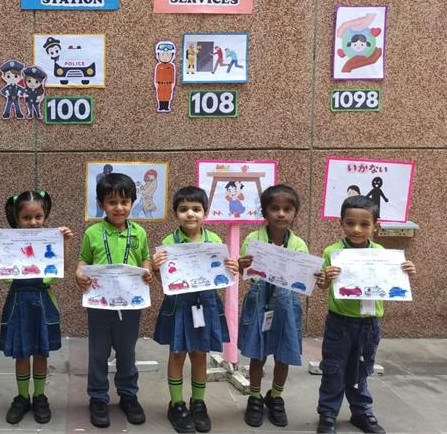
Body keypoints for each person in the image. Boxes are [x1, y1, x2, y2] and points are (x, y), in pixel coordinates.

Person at [315, 195, 416, 434]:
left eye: (364, 224)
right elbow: (321, 285)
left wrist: (405, 272)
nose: (357, 229)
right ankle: (328, 413)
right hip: (339, 322)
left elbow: (391, 281)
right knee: (333, 368)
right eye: (350, 223)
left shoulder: (382, 253)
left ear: (375, 226)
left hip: (369, 324)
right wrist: (325, 278)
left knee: (362, 368)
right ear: (341, 223)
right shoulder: (332, 252)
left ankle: (361, 412)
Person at [152, 186, 238, 433]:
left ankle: (198, 403)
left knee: (200, 354)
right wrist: (157, 268)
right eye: (183, 209)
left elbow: (222, 277)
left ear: (205, 213)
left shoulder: (216, 242)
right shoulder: (169, 243)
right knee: (177, 353)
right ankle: (176, 404)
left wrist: (231, 268)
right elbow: (164, 281)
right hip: (179, 305)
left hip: (206, 304)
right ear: (175, 214)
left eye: (196, 209)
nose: (190, 214)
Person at [74, 173, 153, 428]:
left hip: (130, 304)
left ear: (132, 202)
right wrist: (78, 273)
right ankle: (98, 398)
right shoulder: (93, 232)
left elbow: (146, 258)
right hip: (100, 303)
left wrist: (148, 270)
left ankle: (128, 395)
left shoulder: (139, 232)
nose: (119, 207)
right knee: (98, 352)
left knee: (127, 352)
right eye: (112, 202)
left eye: (124, 202)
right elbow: (83, 260)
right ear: (101, 204)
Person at [0, 191, 73, 424]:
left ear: (45, 216)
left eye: (38, 216)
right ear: (16, 218)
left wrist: (64, 243)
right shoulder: (10, 240)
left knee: (41, 352)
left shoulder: (50, 239)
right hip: (17, 301)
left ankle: (40, 396)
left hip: (43, 300)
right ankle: (23, 397)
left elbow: (61, 269)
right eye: (26, 217)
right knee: (22, 353)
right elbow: (0, 271)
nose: (33, 222)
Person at [237, 184, 313, 429]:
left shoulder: (298, 244)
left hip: (286, 306)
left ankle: (276, 397)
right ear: (264, 212)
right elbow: (244, 272)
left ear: (295, 213)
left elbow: (304, 278)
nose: (281, 214)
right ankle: (255, 397)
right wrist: (241, 265)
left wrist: (314, 275)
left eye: (287, 209)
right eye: (275, 208)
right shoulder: (253, 239)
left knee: (284, 354)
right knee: (257, 354)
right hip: (259, 303)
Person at [154, 41, 176, 112]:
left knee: (167, 95)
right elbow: (157, 75)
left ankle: (166, 106)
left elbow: (172, 75)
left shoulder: (171, 66)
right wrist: (156, 83)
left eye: (168, 55)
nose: (165, 57)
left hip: (168, 84)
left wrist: (172, 83)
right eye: (162, 55)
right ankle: (161, 106)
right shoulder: (159, 66)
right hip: (160, 84)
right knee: (160, 95)